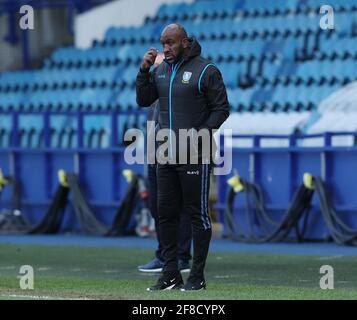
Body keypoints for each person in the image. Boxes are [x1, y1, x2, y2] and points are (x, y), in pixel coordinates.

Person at [136, 23, 229, 291]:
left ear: (185, 42)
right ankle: (170, 273)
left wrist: (198, 136)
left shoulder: (207, 71)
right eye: (163, 43)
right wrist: (143, 71)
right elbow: (144, 100)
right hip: (165, 154)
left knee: (197, 214)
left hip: (195, 154)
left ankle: (196, 276)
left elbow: (221, 109)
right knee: (164, 214)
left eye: (171, 43)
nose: (166, 48)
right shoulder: (160, 70)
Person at [138, 53, 192, 273]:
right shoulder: (154, 94)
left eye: (160, 66)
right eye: (155, 68)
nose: (156, 71)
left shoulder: (179, 93)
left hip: (177, 153)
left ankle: (181, 257)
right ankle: (165, 254)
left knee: (179, 208)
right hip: (155, 155)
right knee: (157, 208)